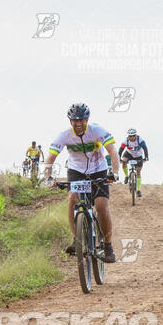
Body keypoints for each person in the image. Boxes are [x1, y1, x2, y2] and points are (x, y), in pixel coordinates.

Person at [44, 102, 119, 263]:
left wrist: (115, 172)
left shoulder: (97, 130)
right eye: (75, 120)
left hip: (98, 169)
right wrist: (48, 177)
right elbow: (50, 158)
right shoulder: (64, 135)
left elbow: (113, 151)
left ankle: (108, 246)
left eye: (82, 120)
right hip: (76, 170)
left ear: (87, 120)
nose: (78, 124)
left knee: (101, 205)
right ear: (70, 121)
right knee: (72, 198)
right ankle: (76, 239)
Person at [119, 128, 149, 197]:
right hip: (129, 154)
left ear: (136, 135)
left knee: (138, 172)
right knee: (124, 162)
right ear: (128, 136)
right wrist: (119, 158)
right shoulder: (125, 141)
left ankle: (138, 190)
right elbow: (120, 150)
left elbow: (145, 148)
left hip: (138, 156)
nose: (132, 137)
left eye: (133, 135)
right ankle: (126, 176)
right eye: (130, 136)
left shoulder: (140, 140)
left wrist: (146, 157)